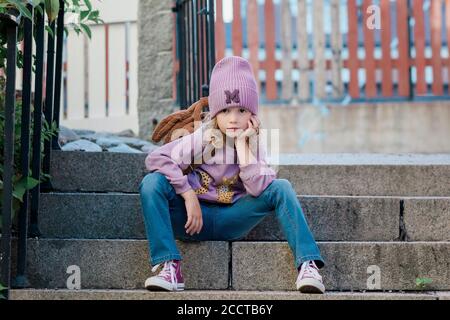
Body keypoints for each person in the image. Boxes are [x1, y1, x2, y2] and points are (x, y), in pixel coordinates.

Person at [139, 56, 326, 293]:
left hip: (234, 218)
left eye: (241, 110)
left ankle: (307, 265)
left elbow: (259, 189)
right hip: (192, 219)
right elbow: (156, 159)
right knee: (152, 183)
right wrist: (188, 194)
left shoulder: (256, 143)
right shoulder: (204, 136)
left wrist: (241, 144)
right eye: (225, 110)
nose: (234, 118)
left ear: (253, 114)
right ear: (216, 113)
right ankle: (169, 267)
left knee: (281, 186)